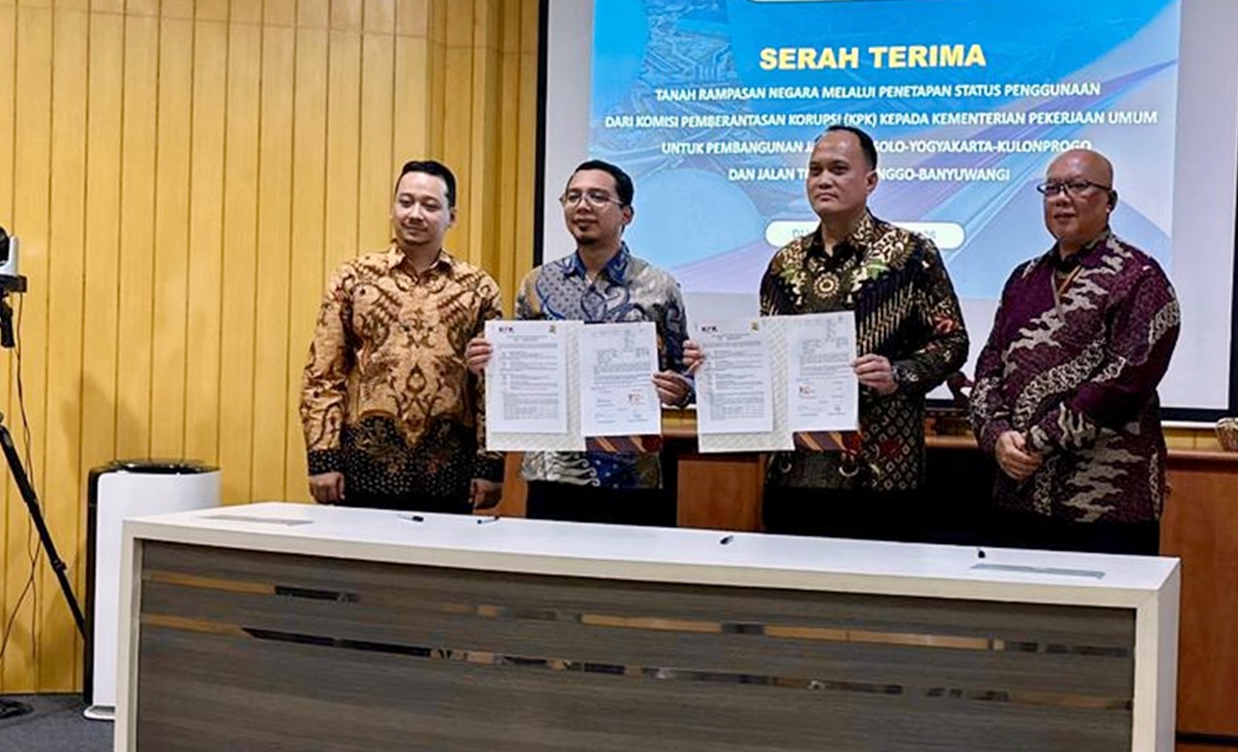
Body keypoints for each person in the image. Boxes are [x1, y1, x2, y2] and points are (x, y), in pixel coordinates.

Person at [688, 124, 969, 541]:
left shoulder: (911, 253)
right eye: (815, 170)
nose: (823, 180)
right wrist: (714, 365)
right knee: (791, 581)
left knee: (876, 581)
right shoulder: (785, 262)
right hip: (793, 470)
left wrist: (898, 373)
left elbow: (953, 341)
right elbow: (766, 356)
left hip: (882, 471)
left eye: (838, 169)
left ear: (870, 181)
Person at [969, 148, 1180, 556]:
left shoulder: (1140, 277)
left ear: (1110, 201)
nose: (1062, 198)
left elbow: (1124, 383)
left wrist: (1036, 441)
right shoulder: (1023, 278)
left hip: (1106, 503)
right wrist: (997, 437)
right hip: (1019, 495)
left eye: (1078, 186)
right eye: (1052, 189)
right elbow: (990, 366)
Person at [465, 159, 692, 526]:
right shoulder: (537, 284)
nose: (582, 206)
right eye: (573, 197)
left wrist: (680, 389)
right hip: (552, 472)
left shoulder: (659, 287)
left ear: (626, 214)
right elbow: (518, 374)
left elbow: (685, 373)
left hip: (633, 474)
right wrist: (488, 364)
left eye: (597, 197)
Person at [299, 159, 504, 515]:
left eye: (430, 205)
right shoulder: (354, 278)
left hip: (449, 469)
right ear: (392, 208)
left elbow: (492, 385)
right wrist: (322, 458)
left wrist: (490, 465)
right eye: (405, 202)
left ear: (452, 217)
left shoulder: (479, 287)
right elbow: (323, 374)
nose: (415, 214)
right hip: (363, 466)